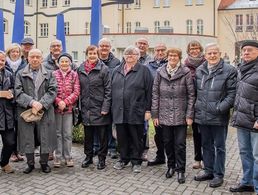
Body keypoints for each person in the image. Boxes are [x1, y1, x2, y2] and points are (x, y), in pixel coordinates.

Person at [194, 43, 237, 188]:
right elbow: (196, 93)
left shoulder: (229, 70)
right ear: (205, 55)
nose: (212, 56)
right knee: (206, 145)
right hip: (202, 116)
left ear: (220, 54)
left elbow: (232, 94)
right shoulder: (200, 70)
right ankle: (208, 170)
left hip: (218, 117)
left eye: (215, 53)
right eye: (209, 53)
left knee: (219, 147)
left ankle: (219, 174)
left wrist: (219, 108)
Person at [152, 48, 195, 183]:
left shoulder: (186, 72)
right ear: (167, 57)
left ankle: (180, 169)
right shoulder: (160, 72)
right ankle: (170, 166)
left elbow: (191, 95)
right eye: (170, 55)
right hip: (164, 114)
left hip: (181, 114)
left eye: (175, 56)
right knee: (168, 142)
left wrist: (189, 115)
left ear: (179, 57)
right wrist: (155, 115)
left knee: (180, 144)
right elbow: (155, 94)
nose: (172, 58)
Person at [15, 49, 57, 174]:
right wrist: (32, 102)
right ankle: (30, 163)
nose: (34, 59)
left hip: (45, 111)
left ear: (41, 59)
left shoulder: (49, 74)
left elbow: (53, 90)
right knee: (28, 137)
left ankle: (44, 163)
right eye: (32, 56)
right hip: (26, 110)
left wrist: (41, 104)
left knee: (45, 136)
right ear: (28, 58)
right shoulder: (20, 74)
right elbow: (18, 92)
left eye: (37, 57)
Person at [112, 46, 153, 173]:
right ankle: (123, 159)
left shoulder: (144, 71)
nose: (129, 55)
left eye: (133, 54)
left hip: (137, 110)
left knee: (136, 137)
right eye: (127, 53)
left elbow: (149, 92)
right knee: (122, 137)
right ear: (123, 56)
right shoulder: (116, 70)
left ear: (138, 56)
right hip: (119, 110)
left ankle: (136, 161)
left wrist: (148, 110)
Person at [230, 40, 258, 194]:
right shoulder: (241, 68)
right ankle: (247, 182)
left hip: (255, 121)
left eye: (250, 50)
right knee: (244, 153)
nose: (246, 52)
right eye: (244, 50)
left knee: (257, 156)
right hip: (242, 119)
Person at [78, 45, 111, 170]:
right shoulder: (80, 69)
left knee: (102, 137)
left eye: (94, 53)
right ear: (86, 54)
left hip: (100, 107)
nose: (92, 55)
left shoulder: (104, 69)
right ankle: (88, 157)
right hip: (86, 108)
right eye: (90, 53)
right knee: (88, 136)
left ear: (98, 55)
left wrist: (105, 107)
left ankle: (102, 159)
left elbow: (108, 89)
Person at [94, 37, 120, 159]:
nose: (104, 48)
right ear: (98, 47)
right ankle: (96, 146)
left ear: (110, 48)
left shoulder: (116, 62)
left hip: (111, 97)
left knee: (110, 123)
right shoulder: (93, 60)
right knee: (96, 123)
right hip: (95, 98)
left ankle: (112, 147)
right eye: (102, 46)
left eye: (106, 46)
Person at [52, 53, 80, 168]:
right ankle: (58, 156)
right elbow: (51, 90)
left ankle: (68, 156)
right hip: (56, 109)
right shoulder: (53, 74)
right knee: (57, 134)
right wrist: (58, 102)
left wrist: (66, 102)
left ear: (70, 63)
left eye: (66, 61)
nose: (64, 63)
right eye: (62, 61)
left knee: (67, 134)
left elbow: (76, 91)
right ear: (58, 63)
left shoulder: (74, 75)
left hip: (68, 110)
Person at [184, 40, 206, 169]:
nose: (194, 50)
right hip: (192, 103)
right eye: (192, 48)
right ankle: (198, 159)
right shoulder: (185, 65)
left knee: (206, 134)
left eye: (197, 48)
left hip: (205, 102)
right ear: (188, 50)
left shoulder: (206, 63)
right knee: (196, 133)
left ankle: (207, 159)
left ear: (200, 49)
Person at [5, 43, 27, 162]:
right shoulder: (4, 64)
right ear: (9, 53)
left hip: (20, 101)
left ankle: (17, 151)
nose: (15, 53)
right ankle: (10, 152)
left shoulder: (24, 65)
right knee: (9, 128)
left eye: (17, 52)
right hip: (7, 103)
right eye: (13, 51)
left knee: (19, 127)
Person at [147, 43, 168, 166]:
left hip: (169, 105)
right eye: (157, 50)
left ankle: (173, 159)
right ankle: (160, 156)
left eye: (162, 50)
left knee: (170, 135)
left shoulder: (170, 64)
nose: (160, 53)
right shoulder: (149, 66)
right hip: (155, 104)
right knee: (158, 133)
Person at [135, 37, 152, 161]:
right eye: (140, 43)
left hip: (144, 98)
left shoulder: (150, 61)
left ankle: (144, 151)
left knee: (145, 127)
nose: (141, 45)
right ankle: (133, 150)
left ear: (147, 46)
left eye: (144, 44)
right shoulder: (130, 58)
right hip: (132, 99)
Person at [0, 50, 15, 173]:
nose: (0, 62)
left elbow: (15, 89)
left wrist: (11, 93)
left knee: (10, 142)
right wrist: (1, 94)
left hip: (7, 114)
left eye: (2, 60)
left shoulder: (9, 74)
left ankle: (4, 163)